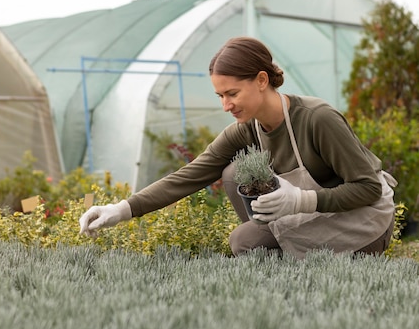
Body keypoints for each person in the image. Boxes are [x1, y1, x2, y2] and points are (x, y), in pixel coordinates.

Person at [79, 36, 397, 259]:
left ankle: (293, 265)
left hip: (363, 226)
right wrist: (120, 209)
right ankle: (276, 252)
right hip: (316, 217)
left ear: (261, 80)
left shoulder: (317, 119)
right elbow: (191, 174)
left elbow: (367, 189)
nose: (226, 105)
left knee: (244, 242)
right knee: (234, 173)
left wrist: (302, 200)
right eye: (220, 96)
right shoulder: (248, 129)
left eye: (232, 93)